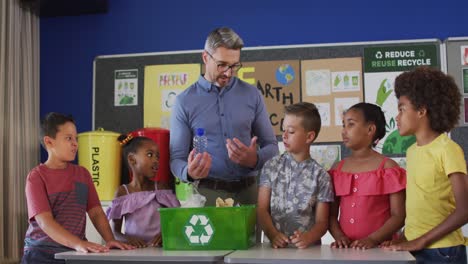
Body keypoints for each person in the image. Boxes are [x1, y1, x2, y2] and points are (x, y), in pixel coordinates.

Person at [170, 27, 278, 205]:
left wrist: (256, 159)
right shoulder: (184, 102)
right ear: (205, 57)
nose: (228, 72)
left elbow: (272, 147)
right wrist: (188, 172)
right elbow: (176, 158)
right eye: (221, 65)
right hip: (207, 194)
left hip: (250, 193)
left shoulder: (252, 95)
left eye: (234, 65)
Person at [22, 113, 133, 264]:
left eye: (76, 138)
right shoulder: (36, 177)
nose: (75, 143)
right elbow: (45, 222)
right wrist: (78, 243)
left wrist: (110, 240)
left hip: (73, 252)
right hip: (41, 252)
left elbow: (96, 213)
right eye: (68, 138)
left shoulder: (83, 174)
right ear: (49, 142)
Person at [384, 67, 468, 263]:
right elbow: (422, 203)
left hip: (442, 250)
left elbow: (465, 210)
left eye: (402, 109)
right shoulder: (412, 151)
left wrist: (421, 241)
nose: (397, 116)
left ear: (422, 111)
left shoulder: (447, 149)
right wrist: (405, 237)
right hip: (415, 246)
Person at [328, 103, 406, 250]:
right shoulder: (337, 169)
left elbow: (398, 216)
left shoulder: (388, 168)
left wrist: (372, 239)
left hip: (382, 250)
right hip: (347, 251)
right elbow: (331, 215)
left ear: (370, 129)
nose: (344, 131)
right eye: (343, 125)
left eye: (350, 125)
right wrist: (339, 237)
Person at [257, 102, 334, 249]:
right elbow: (261, 209)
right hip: (273, 250)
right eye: (283, 130)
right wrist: (273, 234)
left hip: (307, 251)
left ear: (309, 136)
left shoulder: (321, 176)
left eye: (291, 132)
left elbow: (322, 222)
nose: (284, 136)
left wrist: (308, 238)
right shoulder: (271, 167)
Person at [106, 135, 180, 248]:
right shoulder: (123, 192)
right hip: (135, 252)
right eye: (150, 155)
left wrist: (166, 234)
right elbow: (115, 233)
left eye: (157, 157)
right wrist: (127, 238)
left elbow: (176, 222)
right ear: (132, 159)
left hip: (160, 252)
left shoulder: (161, 188)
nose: (156, 161)